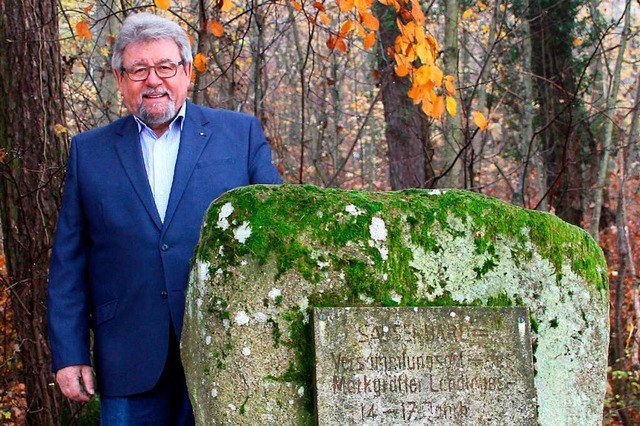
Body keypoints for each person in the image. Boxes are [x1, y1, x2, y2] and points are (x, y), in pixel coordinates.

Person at [47, 12, 282, 425]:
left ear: (187, 71)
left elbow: (278, 233)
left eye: (165, 67)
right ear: (121, 80)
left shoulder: (240, 135)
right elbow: (70, 261)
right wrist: (69, 354)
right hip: (127, 356)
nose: (152, 80)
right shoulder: (90, 152)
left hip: (225, 354)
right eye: (138, 70)